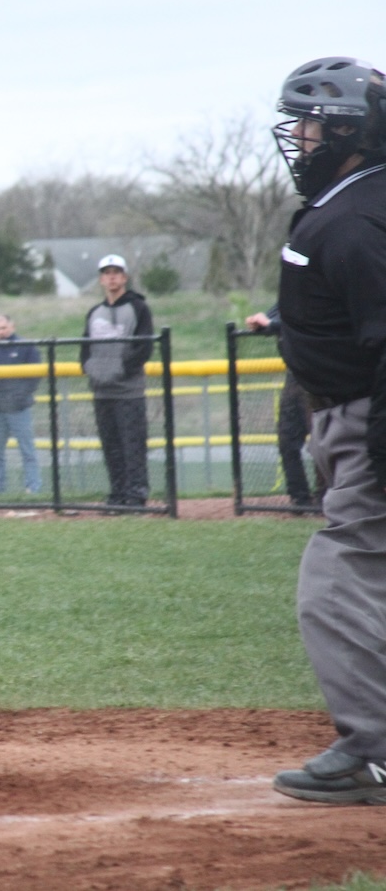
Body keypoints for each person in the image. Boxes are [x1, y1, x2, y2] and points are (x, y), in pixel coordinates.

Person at [260, 58, 386, 806]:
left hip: (365, 415)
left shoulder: (355, 219)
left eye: (311, 124)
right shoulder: (355, 202)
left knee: (334, 581)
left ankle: (374, 749)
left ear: (349, 133)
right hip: (348, 413)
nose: (299, 138)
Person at [80, 254, 154, 509]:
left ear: (124, 277)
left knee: (132, 444)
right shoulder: (94, 313)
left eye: (116, 272)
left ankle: (136, 495)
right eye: (106, 272)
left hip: (128, 391)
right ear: (101, 279)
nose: (111, 277)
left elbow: (143, 348)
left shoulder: (138, 308)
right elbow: (84, 349)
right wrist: (92, 370)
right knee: (110, 445)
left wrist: (119, 369)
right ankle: (118, 493)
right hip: (102, 392)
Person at [245, 306, 323, 510]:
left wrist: (270, 324)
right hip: (294, 377)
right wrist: (261, 321)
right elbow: (276, 315)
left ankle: (324, 500)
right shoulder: (288, 297)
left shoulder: (316, 292)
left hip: (318, 376)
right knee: (287, 440)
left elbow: (304, 324)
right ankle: (300, 500)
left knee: (320, 442)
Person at [0, 314, 41, 495]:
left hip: (18, 409)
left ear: (12, 326)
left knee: (27, 450)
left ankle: (33, 488)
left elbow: (35, 375)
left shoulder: (25, 347)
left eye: (4, 328)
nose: (1, 332)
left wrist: (20, 397)